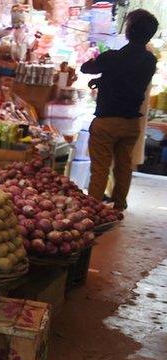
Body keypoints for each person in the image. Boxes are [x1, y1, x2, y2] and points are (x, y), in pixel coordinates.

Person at [81, 9, 158, 211]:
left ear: (129, 30)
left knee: (100, 168)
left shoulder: (112, 57)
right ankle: (119, 205)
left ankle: (94, 209)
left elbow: (86, 68)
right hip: (131, 123)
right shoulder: (150, 61)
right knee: (124, 166)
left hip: (106, 121)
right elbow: (128, 80)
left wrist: (97, 67)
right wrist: (102, 80)